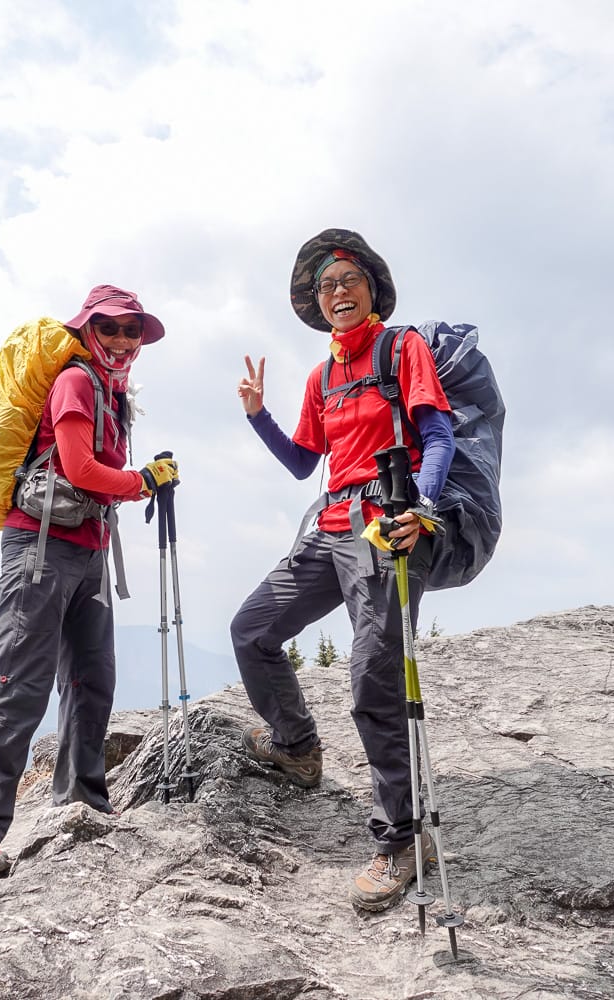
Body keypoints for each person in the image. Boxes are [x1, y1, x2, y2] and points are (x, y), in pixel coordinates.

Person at [231, 229, 456, 912]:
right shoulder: (322, 374)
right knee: (252, 630)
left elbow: (439, 435)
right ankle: (297, 746)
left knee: (372, 676)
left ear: (371, 289)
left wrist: (419, 507)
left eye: (347, 280)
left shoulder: (401, 348)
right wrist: (258, 416)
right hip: (328, 528)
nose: (337, 293)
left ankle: (403, 838)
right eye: (326, 286)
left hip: (383, 528)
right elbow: (305, 461)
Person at [0, 285, 179, 885]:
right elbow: (78, 470)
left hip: (88, 550)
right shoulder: (76, 382)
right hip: (40, 551)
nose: (124, 340)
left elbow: (90, 476)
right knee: (16, 680)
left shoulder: (114, 392)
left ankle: (82, 799)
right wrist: (142, 480)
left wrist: (136, 480)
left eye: (133, 331)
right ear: (88, 330)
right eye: (113, 329)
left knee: (91, 678)